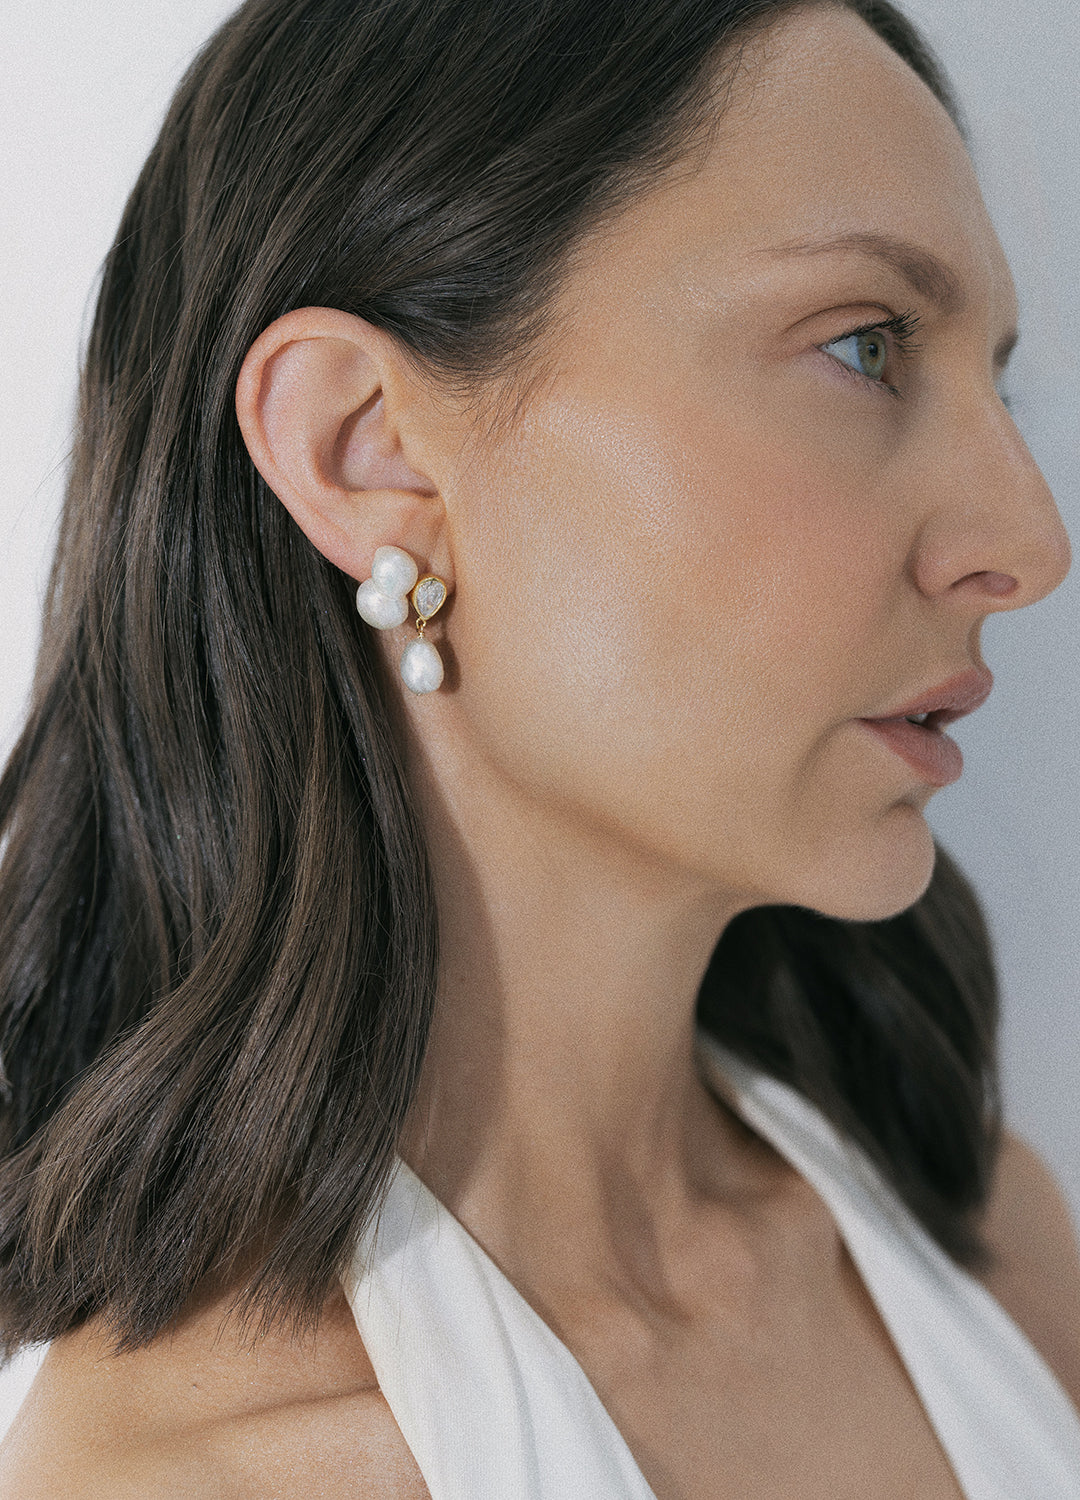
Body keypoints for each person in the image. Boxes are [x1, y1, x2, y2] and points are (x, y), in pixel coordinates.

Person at [0, 0, 1078, 1493]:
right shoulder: (198, 1479)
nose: (1029, 543)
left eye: (994, 381)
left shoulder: (1002, 1255)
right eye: (864, 345)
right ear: (367, 447)